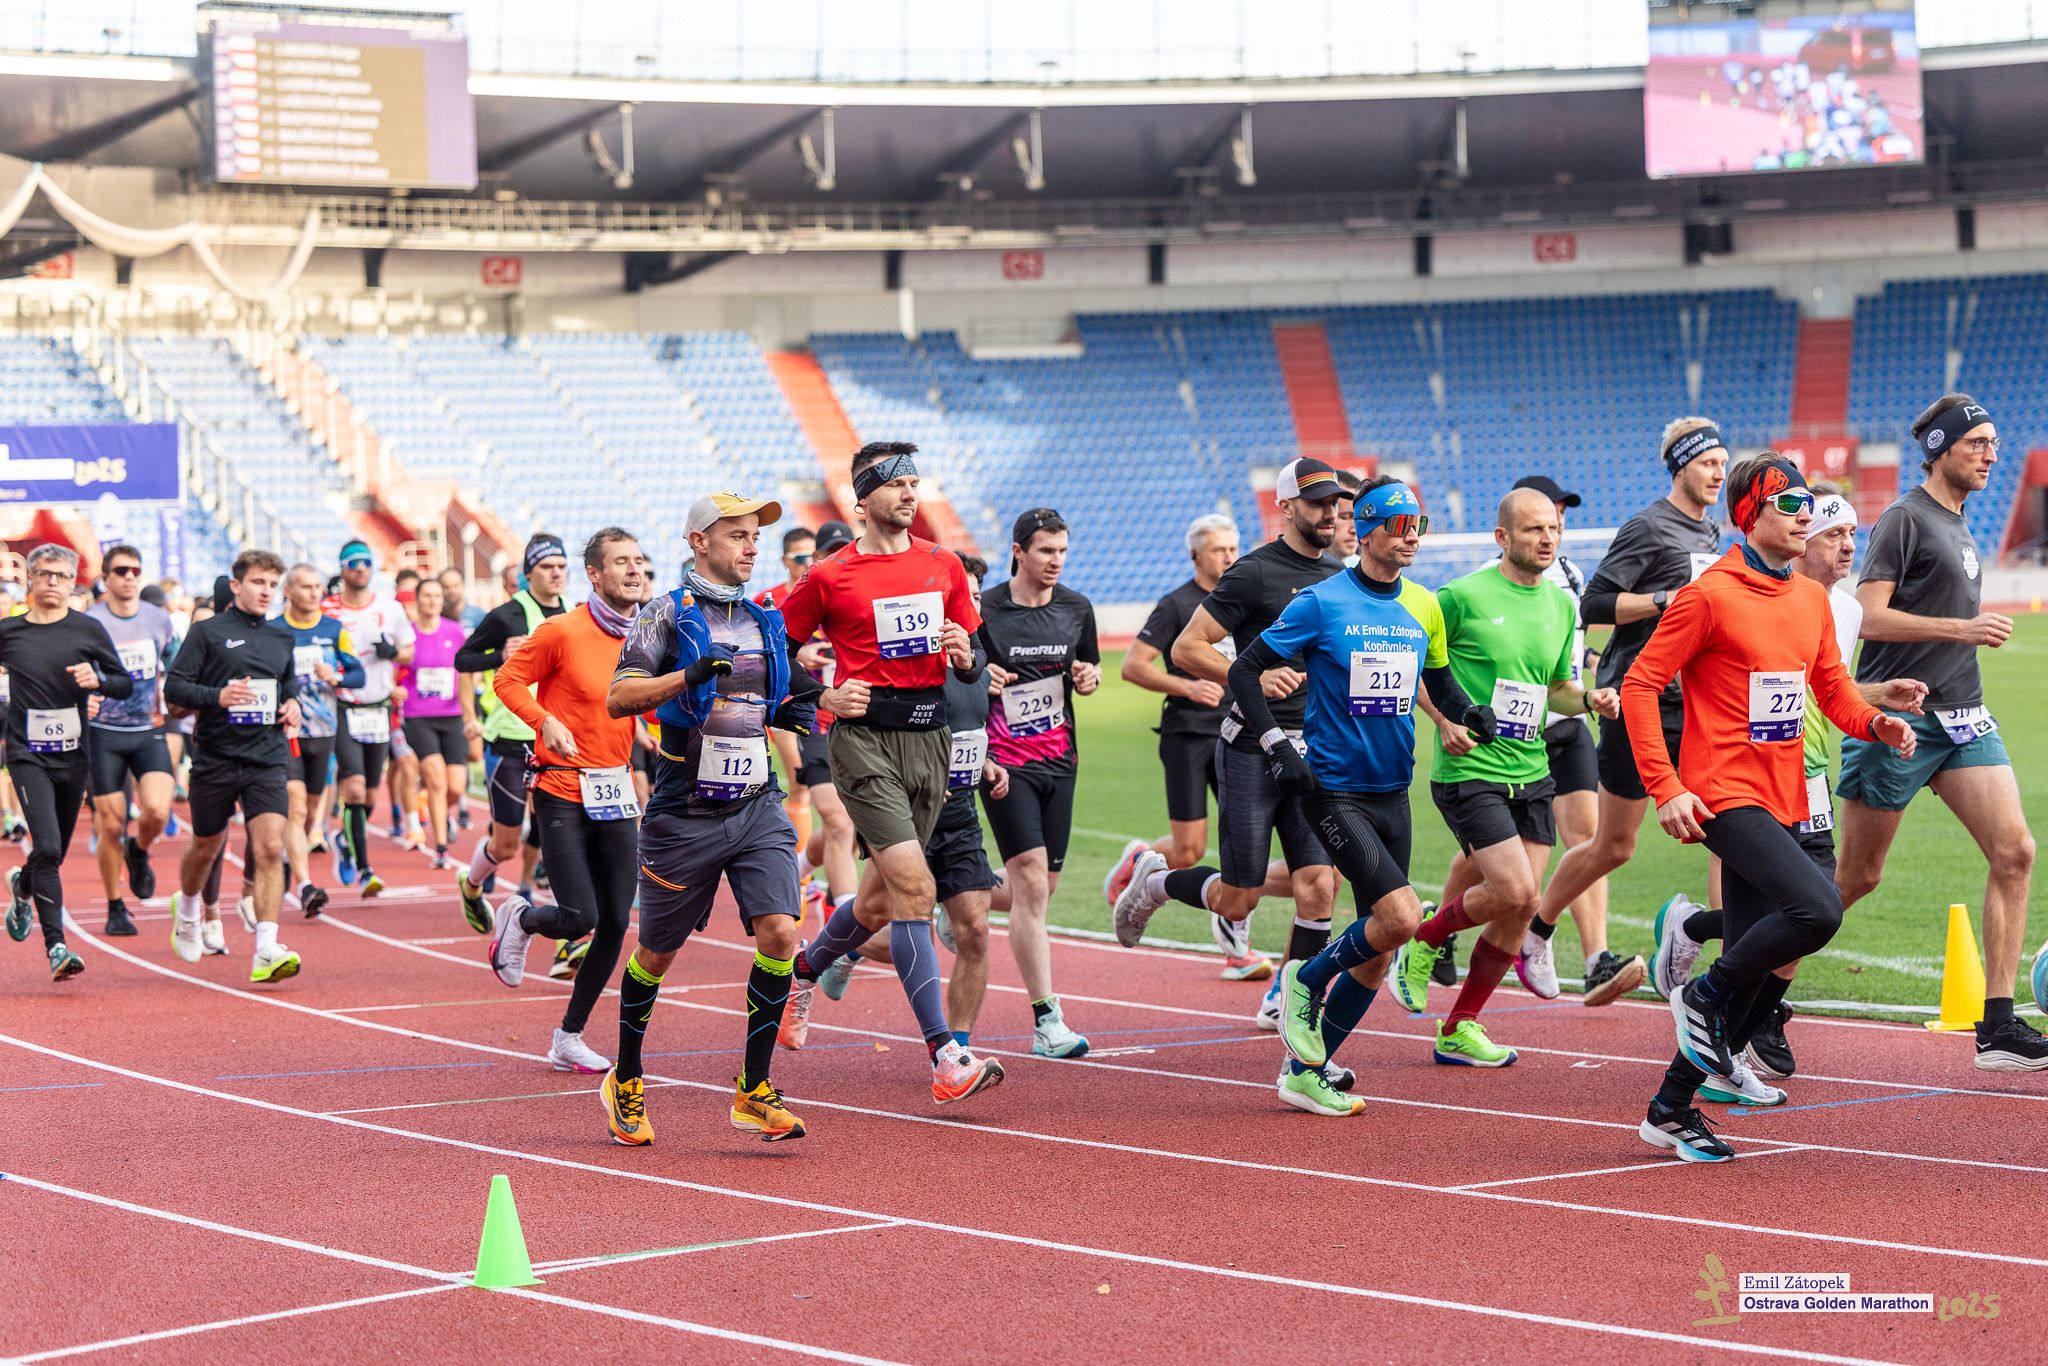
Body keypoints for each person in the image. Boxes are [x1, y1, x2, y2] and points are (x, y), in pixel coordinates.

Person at [1123, 480, 1493, 1116]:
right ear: (1366, 529)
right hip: (1333, 788)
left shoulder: (1425, 605)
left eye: (1419, 525)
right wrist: (1276, 744)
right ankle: (1307, 976)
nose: (1411, 537)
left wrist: (1468, 713)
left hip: (1393, 790)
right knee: (1403, 919)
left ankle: (1304, 1071)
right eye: (1399, 525)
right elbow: (1244, 669)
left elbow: (1438, 680)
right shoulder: (1322, 602)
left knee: (1379, 950)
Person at [1632, 456, 1916, 1161]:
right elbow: (1641, 686)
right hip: (1723, 793)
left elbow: (1832, 689)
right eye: (1789, 503)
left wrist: (1875, 723)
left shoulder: (1811, 600)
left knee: (1757, 957)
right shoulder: (1709, 595)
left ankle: (1669, 1109)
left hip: (1785, 791)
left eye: (1808, 503)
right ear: (1749, 513)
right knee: (1818, 909)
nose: (1804, 514)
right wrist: (1666, 787)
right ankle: (1701, 995)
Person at [600, 493, 855, 1144]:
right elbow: (620, 697)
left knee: (781, 931)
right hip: (683, 810)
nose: (751, 545)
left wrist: (820, 703)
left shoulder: (765, 618)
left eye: (754, 536)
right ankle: (625, 1075)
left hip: (755, 802)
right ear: (698, 542)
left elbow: (782, 697)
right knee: (657, 953)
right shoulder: (664, 614)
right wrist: (687, 677)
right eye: (737, 534)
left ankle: (754, 1088)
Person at [776, 442, 1005, 1104]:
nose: (909, 493)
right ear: (863, 499)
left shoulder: (943, 564)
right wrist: (822, 695)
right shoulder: (829, 575)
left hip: (931, 740)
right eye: (895, 483)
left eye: (914, 482)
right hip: (865, 743)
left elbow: (974, 654)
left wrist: (965, 656)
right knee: (915, 888)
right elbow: (774, 653)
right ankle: (945, 1056)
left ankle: (802, 971)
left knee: (877, 902)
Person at [1835, 396, 2048, 1069]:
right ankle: (1742, 986)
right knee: (1855, 878)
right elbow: (1868, 617)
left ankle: (1997, 1025)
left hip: (1963, 716)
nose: (1991, 455)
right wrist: (1963, 629)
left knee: (2015, 851)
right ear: (1940, 448)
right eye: (1977, 443)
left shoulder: (1958, 521)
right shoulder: (1905, 518)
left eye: (1994, 443)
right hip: (1899, 720)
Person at [1391, 488, 1620, 1065]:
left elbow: (1557, 688)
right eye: (1534, 529)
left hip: (1532, 768)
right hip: (1472, 767)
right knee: (1516, 891)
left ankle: (1459, 1027)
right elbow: (1413, 665)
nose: (1548, 539)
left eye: (1554, 530)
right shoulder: (1460, 596)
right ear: (1503, 537)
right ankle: (1424, 938)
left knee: (1519, 908)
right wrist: (1444, 720)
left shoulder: (1563, 606)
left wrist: (1588, 700)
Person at [1125, 458, 1343, 1028]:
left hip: (1315, 751)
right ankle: (1157, 882)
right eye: (1317, 502)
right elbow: (1187, 648)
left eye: (1334, 502)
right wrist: (1252, 674)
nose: (1329, 512)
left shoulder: (1341, 575)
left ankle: (1291, 1002)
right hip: (1252, 748)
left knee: (1319, 885)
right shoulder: (1255, 572)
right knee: (1238, 897)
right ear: (1286, 507)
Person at [1522, 419, 1730, 1004]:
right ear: (1681, 466)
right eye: (1708, 462)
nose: (1719, 473)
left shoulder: (1710, 530)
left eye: (1723, 463)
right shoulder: (1648, 526)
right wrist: (1666, 599)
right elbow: (1594, 604)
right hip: (1638, 697)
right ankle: (1537, 931)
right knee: (1614, 845)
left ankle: (1728, 964)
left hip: (1694, 703)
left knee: (1727, 829)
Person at [820, 551, 1006, 1047]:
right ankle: (833, 956)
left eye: (975, 597)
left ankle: (957, 1050)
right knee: (878, 913)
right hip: (904, 803)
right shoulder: (904, 661)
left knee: (974, 931)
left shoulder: (975, 663)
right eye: (960, 595)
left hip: (959, 810)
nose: (968, 606)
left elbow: (969, 727)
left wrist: (986, 761)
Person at [485, 528, 646, 1075]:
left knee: (617, 922)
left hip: (615, 790)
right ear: (594, 574)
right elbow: (507, 681)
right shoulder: (562, 631)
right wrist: (544, 720)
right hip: (561, 789)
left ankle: (568, 1037)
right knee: (580, 916)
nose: (634, 570)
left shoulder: (647, 636)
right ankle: (523, 917)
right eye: (620, 562)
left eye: (639, 561)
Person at [1116, 514, 1271, 980]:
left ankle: (1237, 949)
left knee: (1243, 847)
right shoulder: (1176, 604)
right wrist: (1187, 686)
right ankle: (1140, 858)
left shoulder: (1245, 602)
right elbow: (1133, 666)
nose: (1228, 557)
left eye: (1233, 548)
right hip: (1187, 734)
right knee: (1188, 851)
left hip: (1240, 735)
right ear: (1195, 555)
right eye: (1219, 550)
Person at [975, 507, 1098, 1057]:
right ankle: (1048, 1021)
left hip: (1060, 759)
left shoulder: (1076, 607)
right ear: (1018, 551)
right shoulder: (984, 608)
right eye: (1046, 550)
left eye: (1063, 551)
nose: (1056, 561)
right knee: (1028, 880)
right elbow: (956, 672)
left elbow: (1088, 669)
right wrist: (980, 675)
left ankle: (964, 895)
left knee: (1043, 887)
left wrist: (1089, 677)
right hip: (1003, 761)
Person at [163, 549, 306, 983]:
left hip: (266, 757)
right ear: (236, 585)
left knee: (269, 848)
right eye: (258, 582)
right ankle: (189, 908)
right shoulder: (207, 633)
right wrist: (218, 697)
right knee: (206, 846)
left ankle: (266, 947)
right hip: (216, 757)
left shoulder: (281, 637)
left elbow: (288, 683)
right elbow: (175, 691)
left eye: (272, 585)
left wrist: (293, 704)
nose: (266, 591)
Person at [0, 544, 133, 980]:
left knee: (49, 855)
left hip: (74, 756)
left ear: (73, 581)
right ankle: (56, 946)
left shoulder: (87, 629)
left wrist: (99, 679)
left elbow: (124, 684)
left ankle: (22, 885)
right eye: (45, 574)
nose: (53, 582)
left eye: (61, 575)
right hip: (27, 754)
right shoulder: (9, 632)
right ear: (31, 579)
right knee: (49, 847)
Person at [453, 534, 569, 930]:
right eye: (547, 567)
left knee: (555, 828)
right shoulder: (506, 616)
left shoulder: (573, 614)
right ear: (528, 573)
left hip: (554, 739)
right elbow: (462, 660)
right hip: (509, 737)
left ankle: (534, 894)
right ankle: (471, 885)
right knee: (505, 844)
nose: (556, 574)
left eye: (561, 566)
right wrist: (499, 655)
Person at [85, 543, 178, 937]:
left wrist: (177, 698)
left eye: (135, 571)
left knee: (157, 811)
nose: (129, 577)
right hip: (103, 733)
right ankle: (115, 906)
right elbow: (73, 669)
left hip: (147, 729)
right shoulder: (90, 622)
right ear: (106, 578)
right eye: (121, 571)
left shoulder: (159, 619)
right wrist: (84, 698)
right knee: (110, 825)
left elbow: (176, 664)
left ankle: (138, 851)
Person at [277, 563, 363, 918]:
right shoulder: (274, 631)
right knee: (295, 808)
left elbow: (357, 674)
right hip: (286, 733)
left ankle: (288, 857)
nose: (314, 593)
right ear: (289, 592)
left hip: (324, 731)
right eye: (306, 587)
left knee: (311, 812)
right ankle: (305, 885)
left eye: (317, 587)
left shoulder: (333, 630)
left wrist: (336, 676)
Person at [330, 540, 413, 897]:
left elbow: (409, 652)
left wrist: (392, 652)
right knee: (353, 788)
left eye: (366, 562)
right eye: (354, 563)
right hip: (342, 707)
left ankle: (345, 839)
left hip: (378, 708)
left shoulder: (390, 609)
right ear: (343, 568)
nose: (361, 568)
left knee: (370, 794)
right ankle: (365, 870)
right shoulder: (329, 610)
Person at [789, 521, 860, 912]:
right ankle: (843, 921)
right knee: (837, 820)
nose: (839, 557)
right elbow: (772, 649)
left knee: (852, 825)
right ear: (817, 557)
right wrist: (801, 654)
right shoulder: (803, 598)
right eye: (831, 551)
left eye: (845, 549)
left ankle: (797, 869)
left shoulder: (867, 596)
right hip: (815, 722)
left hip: (863, 726)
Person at [399, 576, 470, 869]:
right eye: (427, 595)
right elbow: (396, 669)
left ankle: (438, 811)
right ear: (417, 600)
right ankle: (441, 848)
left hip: (452, 715)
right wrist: (396, 689)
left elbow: (466, 673)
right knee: (436, 779)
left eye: (437, 596)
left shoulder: (455, 632)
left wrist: (470, 714)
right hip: (419, 716)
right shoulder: (408, 635)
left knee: (456, 785)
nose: (432, 601)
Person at [439, 566, 485, 631]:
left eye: (455, 585)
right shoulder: (436, 616)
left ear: (463, 585)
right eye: (446, 587)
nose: (452, 591)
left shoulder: (478, 615)